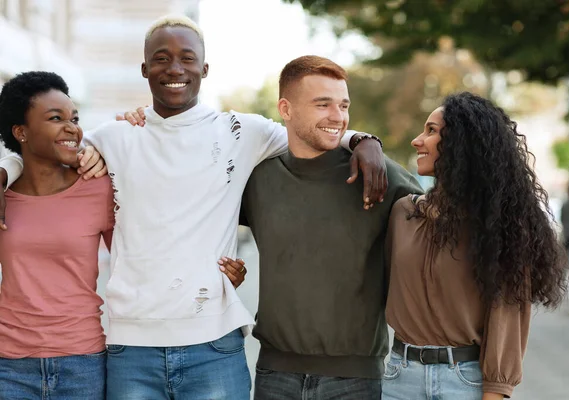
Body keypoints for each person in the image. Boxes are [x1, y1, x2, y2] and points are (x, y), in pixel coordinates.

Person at [54, 15, 385, 400]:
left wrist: (364, 140)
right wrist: (6, 170)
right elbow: (43, 155)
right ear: (145, 69)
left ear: (205, 68)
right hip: (131, 347)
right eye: (161, 59)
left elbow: (313, 133)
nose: (175, 69)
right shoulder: (114, 136)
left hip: (213, 346)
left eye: (187, 58)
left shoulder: (242, 132)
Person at [240, 55, 422, 400]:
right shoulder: (258, 179)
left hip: (356, 379)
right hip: (275, 375)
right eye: (322, 104)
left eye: (343, 105)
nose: (337, 116)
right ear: (286, 108)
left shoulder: (376, 172)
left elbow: (444, 226)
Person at [383, 92, 569, 400]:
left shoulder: (498, 224)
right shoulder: (403, 212)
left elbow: (506, 316)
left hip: (464, 382)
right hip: (398, 377)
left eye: (431, 131)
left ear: (461, 143)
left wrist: (496, 390)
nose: (417, 140)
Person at [0, 71, 114, 399]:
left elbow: (137, 261)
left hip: (83, 363)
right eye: (55, 118)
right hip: (9, 366)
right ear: (20, 131)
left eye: (74, 118)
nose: (72, 127)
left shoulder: (99, 188)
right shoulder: (3, 196)